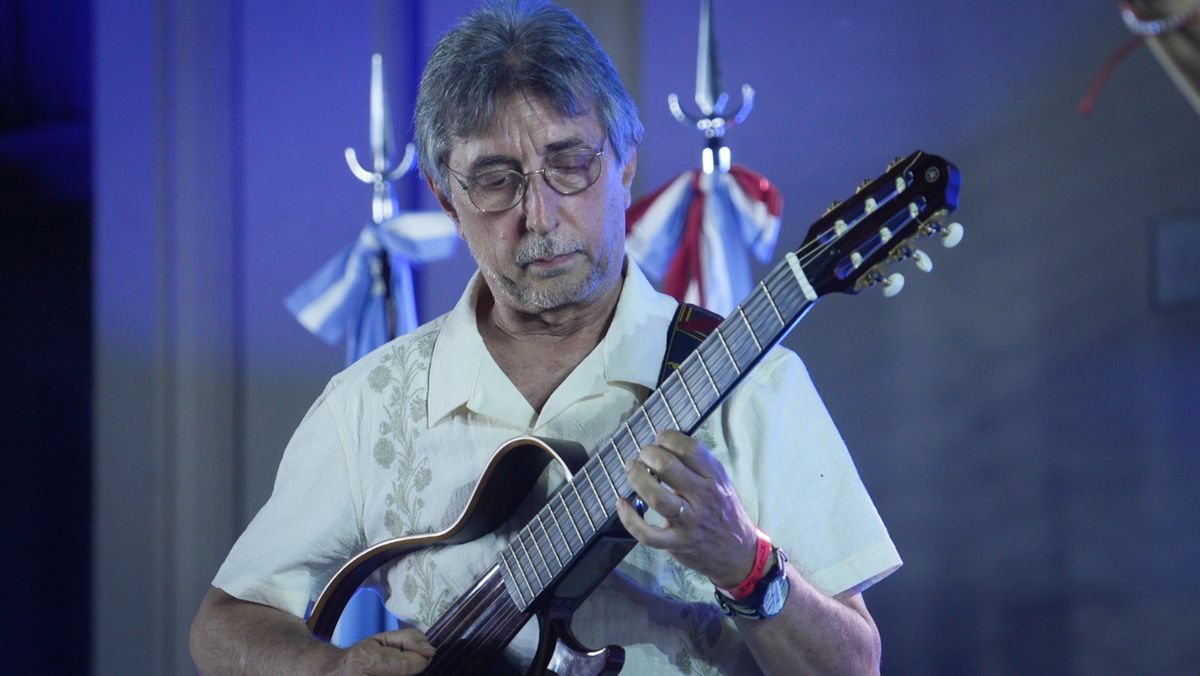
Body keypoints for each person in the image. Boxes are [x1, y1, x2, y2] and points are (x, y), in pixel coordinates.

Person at [189, 1, 902, 674]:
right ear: (446, 200)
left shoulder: (757, 383)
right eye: (496, 181)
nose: (541, 214)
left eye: (571, 163)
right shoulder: (366, 404)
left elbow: (854, 665)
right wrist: (329, 667)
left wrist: (745, 564)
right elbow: (223, 623)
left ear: (625, 163)